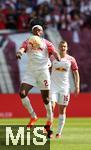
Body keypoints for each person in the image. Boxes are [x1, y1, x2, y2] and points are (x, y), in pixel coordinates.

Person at [16, 24, 60, 137]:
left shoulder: (47, 43)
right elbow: (22, 48)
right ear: (33, 32)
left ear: (42, 32)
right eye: (35, 30)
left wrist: (57, 56)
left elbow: (53, 51)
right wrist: (19, 53)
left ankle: (49, 122)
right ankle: (33, 116)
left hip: (43, 72)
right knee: (22, 93)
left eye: (39, 30)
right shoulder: (28, 41)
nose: (37, 32)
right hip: (31, 72)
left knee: (46, 100)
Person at [50, 40, 80, 138]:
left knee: (62, 110)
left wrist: (77, 85)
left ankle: (58, 132)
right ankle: (48, 130)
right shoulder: (52, 57)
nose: (63, 48)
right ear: (58, 47)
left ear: (67, 48)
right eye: (61, 46)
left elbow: (76, 73)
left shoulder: (71, 59)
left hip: (64, 88)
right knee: (51, 107)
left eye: (65, 46)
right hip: (53, 86)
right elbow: (47, 69)